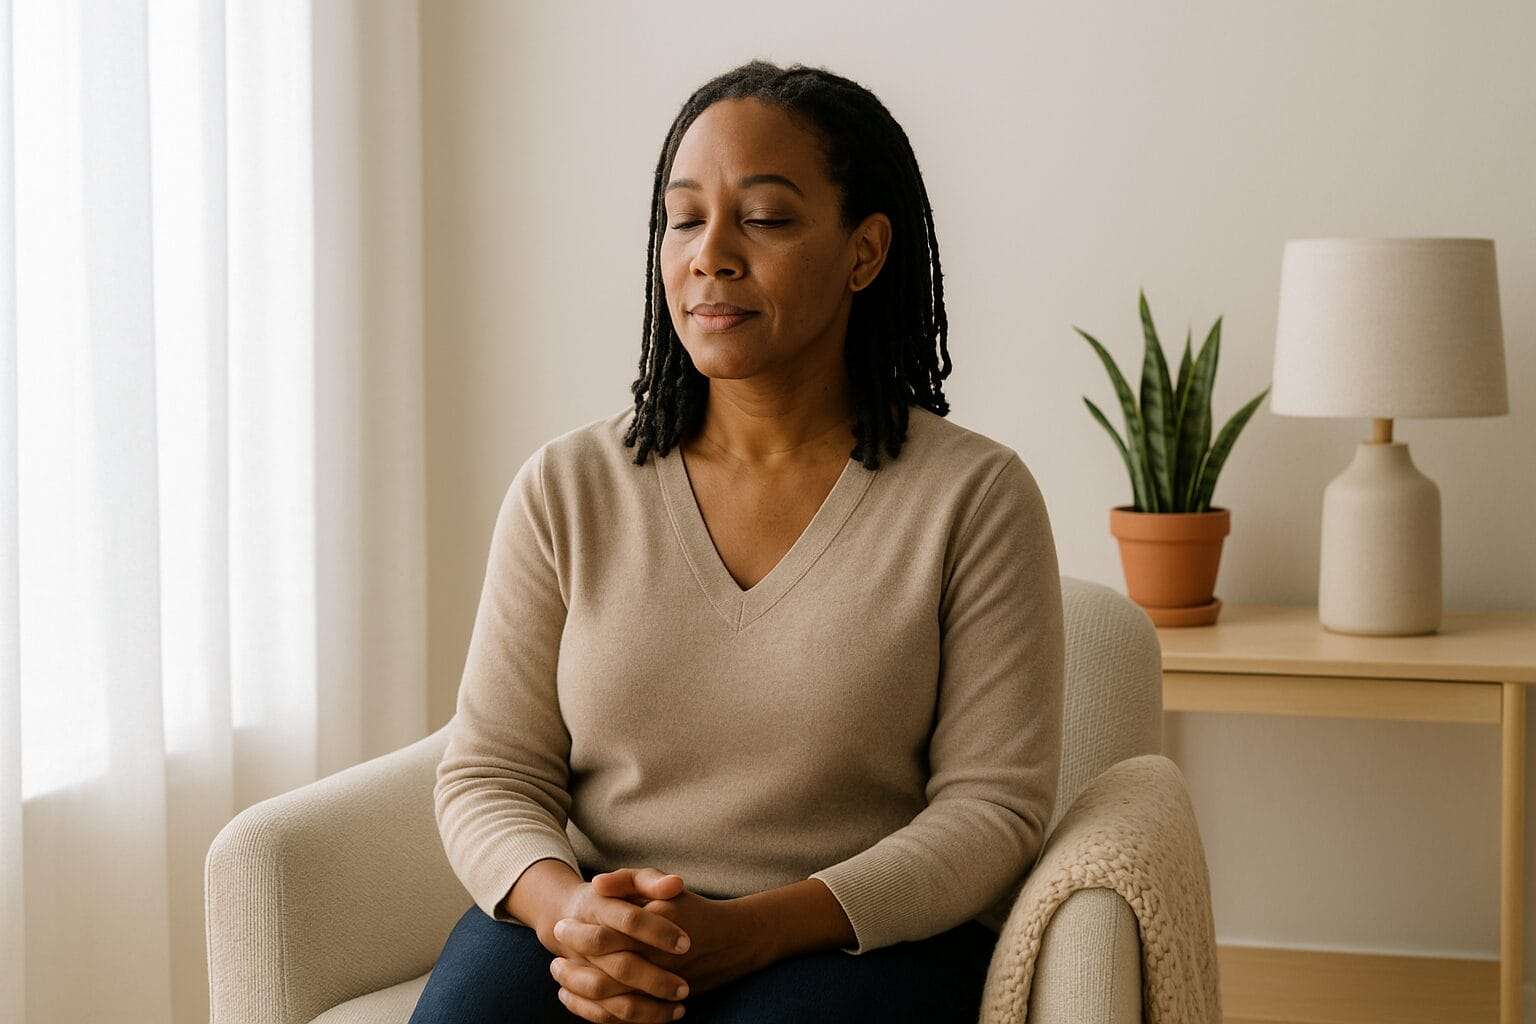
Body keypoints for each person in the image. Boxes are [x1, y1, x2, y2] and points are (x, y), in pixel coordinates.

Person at [410, 57, 1065, 1024]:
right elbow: (490, 771)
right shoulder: (568, 487)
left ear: (865, 252)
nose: (710, 254)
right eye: (684, 218)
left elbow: (991, 813)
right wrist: (571, 914)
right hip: (595, 914)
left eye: (764, 218)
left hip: (844, 940)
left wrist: (754, 929)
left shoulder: (974, 498)